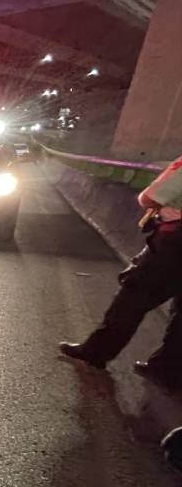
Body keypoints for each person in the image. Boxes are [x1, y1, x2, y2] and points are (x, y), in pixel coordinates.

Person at [59, 155, 182, 389]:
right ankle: (166, 369)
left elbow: (150, 197)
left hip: (174, 243)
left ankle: (96, 351)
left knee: (133, 296)